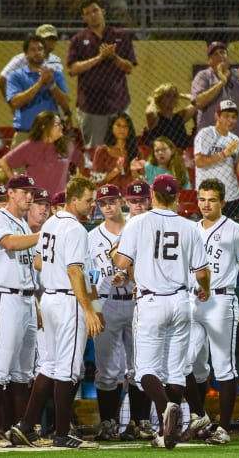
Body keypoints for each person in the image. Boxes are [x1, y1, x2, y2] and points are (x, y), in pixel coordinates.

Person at [112, 174, 211, 450]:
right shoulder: (191, 227)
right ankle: (164, 431)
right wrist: (207, 289)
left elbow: (121, 261)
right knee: (176, 370)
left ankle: (165, 407)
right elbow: (202, 273)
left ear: (152, 195)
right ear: (177, 198)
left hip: (151, 301)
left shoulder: (138, 222)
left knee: (144, 369)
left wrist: (113, 253)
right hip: (180, 301)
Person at [12, 175, 102, 449]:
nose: (92, 205)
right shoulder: (75, 229)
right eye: (88, 200)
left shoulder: (51, 222)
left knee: (49, 365)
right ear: (74, 200)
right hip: (67, 302)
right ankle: (62, 433)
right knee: (68, 369)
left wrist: (58, 273)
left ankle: (26, 425)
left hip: (50, 298)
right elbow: (74, 270)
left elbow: (39, 262)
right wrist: (88, 309)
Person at [182, 178, 239, 445]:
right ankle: (200, 417)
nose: (206, 204)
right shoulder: (191, 229)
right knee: (184, 363)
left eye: (212, 199)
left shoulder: (235, 230)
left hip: (222, 300)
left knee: (224, 367)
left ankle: (223, 429)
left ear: (222, 202)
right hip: (193, 301)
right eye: (202, 199)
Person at [0, 174, 41, 448]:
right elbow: (9, 244)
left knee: (23, 372)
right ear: (11, 193)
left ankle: (20, 430)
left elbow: (33, 262)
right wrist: (44, 235)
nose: (29, 196)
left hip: (26, 298)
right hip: (5, 296)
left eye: (31, 192)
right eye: (24, 192)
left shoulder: (21, 222)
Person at [88, 184, 141, 441]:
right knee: (107, 370)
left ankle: (139, 423)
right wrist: (95, 312)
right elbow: (89, 280)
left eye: (112, 200)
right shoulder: (91, 237)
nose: (108, 206)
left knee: (138, 366)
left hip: (135, 301)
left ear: (121, 200)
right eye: (102, 203)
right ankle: (108, 424)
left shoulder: (136, 227)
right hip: (106, 302)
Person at [68, 0, 137, 149]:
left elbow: (129, 67)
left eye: (95, 10)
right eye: (88, 13)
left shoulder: (121, 36)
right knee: (94, 150)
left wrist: (113, 57)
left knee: (121, 148)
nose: (93, 15)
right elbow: (72, 69)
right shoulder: (78, 39)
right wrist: (99, 58)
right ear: (83, 17)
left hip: (118, 104)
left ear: (103, 12)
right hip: (90, 107)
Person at [6, 36, 70, 147]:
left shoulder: (56, 74)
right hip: (24, 133)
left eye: (40, 49)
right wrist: (40, 83)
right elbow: (15, 102)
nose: (37, 52)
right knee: (16, 164)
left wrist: (51, 84)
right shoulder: (16, 76)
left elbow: (65, 103)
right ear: (26, 54)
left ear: (45, 52)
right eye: (33, 49)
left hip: (51, 133)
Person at [0, 111, 83, 195]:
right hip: (37, 199)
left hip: (61, 199)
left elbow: (80, 161)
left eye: (61, 124)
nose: (61, 127)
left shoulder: (67, 145)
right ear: (44, 127)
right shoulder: (29, 146)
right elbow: (4, 162)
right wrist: (17, 183)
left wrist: (76, 182)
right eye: (57, 124)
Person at [191, 42, 239, 142]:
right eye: (215, 54)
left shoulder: (238, 75)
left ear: (228, 58)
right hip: (211, 141)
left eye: (223, 53)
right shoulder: (203, 76)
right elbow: (199, 102)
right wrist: (221, 82)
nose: (220, 56)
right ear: (209, 61)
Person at [194, 99, 239, 218]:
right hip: (209, 196)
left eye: (233, 117)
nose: (231, 120)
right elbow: (199, 162)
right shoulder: (206, 134)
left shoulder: (235, 139)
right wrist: (224, 153)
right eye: (226, 116)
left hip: (232, 196)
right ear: (217, 116)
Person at [0, 24, 64, 99]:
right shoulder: (22, 59)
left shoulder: (56, 60)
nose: (50, 42)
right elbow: (2, 79)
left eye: (53, 39)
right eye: (46, 39)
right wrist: (11, 101)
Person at [91, 113, 138, 191]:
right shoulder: (102, 151)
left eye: (125, 126)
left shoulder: (136, 151)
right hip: (108, 197)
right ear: (111, 127)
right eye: (118, 125)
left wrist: (134, 172)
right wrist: (115, 171)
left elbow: (143, 183)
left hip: (131, 196)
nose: (122, 129)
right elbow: (95, 183)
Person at [145, 83, 196, 149]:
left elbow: (197, 102)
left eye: (174, 96)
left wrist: (181, 95)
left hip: (181, 155)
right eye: (168, 96)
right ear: (160, 99)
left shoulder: (179, 116)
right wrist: (152, 101)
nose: (172, 99)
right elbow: (150, 112)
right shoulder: (156, 118)